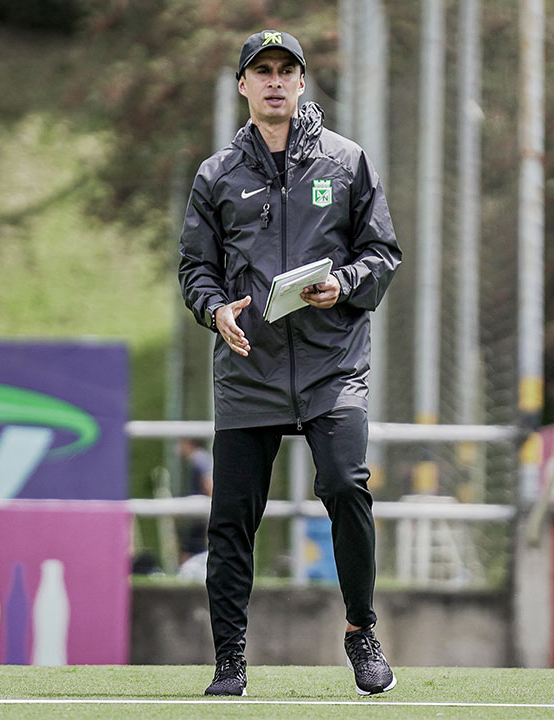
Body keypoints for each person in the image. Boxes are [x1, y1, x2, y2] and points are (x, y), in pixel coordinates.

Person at [178, 29, 402, 697]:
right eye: (262, 71)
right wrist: (215, 309)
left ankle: (361, 634)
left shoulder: (347, 162)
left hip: (333, 366)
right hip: (249, 370)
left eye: (285, 70)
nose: (274, 81)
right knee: (231, 517)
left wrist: (346, 282)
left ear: (302, 82)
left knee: (346, 486)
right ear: (243, 86)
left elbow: (382, 254)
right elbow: (195, 268)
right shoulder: (216, 175)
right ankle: (229, 660)